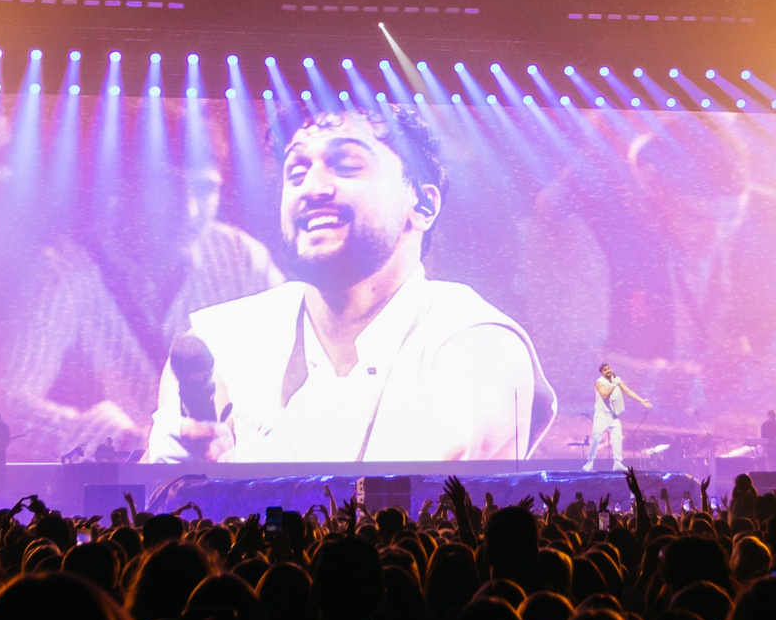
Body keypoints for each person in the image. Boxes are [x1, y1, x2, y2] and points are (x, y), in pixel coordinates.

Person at [146, 105, 553, 462]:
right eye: (296, 171)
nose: (313, 187)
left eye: (346, 166)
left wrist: (240, 476)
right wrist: (169, 469)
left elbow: (403, 498)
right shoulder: (220, 340)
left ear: (424, 205)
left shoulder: (477, 342)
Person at [512, 115, 776, 437]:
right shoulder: (586, 226)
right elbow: (560, 362)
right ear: (653, 190)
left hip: (750, 432)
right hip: (626, 442)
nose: (718, 236)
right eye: (698, 219)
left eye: (731, 220)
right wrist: (676, 385)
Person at [0, 106, 281, 459]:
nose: (191, 210)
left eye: (205, 189)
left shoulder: (240, 256)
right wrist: (120, 440)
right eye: (170, 187)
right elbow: (0, 408)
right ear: (125, 185)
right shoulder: (64, 272)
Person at [582, 364, 649, 471]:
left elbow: (628, 391)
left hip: (613, 416)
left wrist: (641, 400)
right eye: (605, 370)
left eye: (609, 368)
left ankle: (617, 463)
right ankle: (590, 462)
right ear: (601, 373)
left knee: (617, 438)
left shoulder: (617, 380)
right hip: (602, 415)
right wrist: (613, 384)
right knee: (596, 437)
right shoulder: (599, 382)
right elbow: (604, 395)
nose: (608, 371)